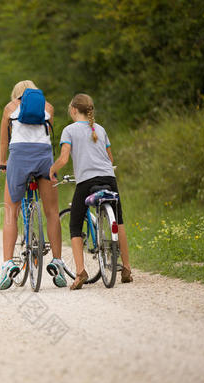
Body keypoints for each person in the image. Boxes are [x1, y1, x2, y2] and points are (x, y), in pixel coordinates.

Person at [49, 93, 133, 290]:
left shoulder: (69, 130)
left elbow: (63, 159)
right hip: (109, 179)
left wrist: (52, 170)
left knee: (75, 225)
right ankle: (127, 268)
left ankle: (80, 272)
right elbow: (110, 159)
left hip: (86, 181)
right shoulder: (100, 129)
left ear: (73, 110)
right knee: (119, 221)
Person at [0, 80, 66, 290]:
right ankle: (57, 262)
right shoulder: (48, 107)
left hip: (19, 157)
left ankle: (8, 264)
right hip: (44, 157)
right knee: (52, 212)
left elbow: (4, 141)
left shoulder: (10, 108)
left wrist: (3, 163)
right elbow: (47, 134)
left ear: (16, 94)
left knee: (11, 211)